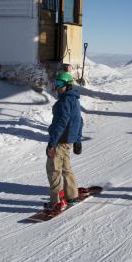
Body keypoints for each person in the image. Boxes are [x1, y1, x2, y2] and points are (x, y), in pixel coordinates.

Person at [44, 71, 84, 211]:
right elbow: (79, 120)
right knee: (66, 168)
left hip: (60, 140)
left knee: (53, 169)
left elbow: (60, 124)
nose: (57, 86)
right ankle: (71, 194)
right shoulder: (73, 99)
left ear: (68, 85)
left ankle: (56, 201)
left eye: (60, 84)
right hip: (68, 140)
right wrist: (77, 140)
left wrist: (52, 144)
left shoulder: (64, 101)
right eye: (56, 83)